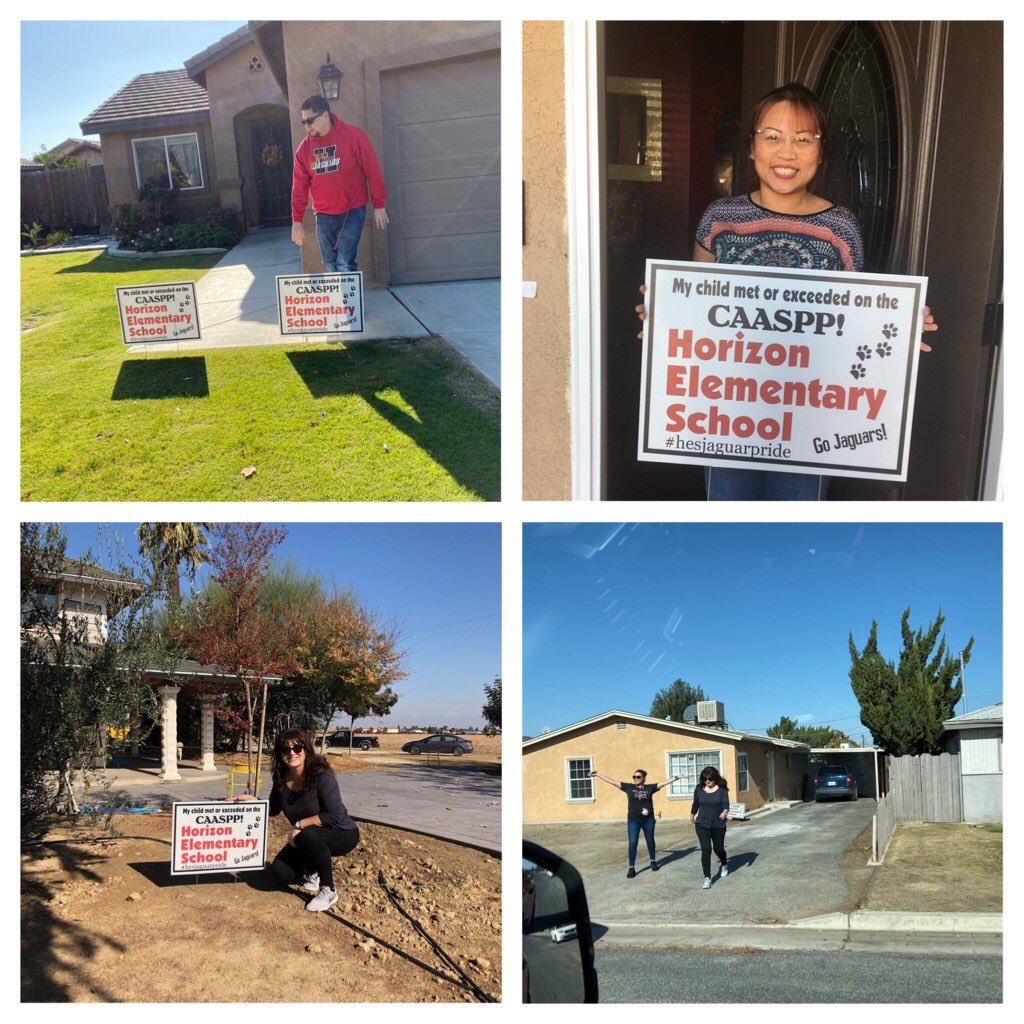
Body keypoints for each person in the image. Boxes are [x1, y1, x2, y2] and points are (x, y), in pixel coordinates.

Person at [635, 82, 938, 500]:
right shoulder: (720, 217)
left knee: (795, 530)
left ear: (821, 150)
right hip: (727, 413)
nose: (787, 153)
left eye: (803, 139)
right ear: (752, 148)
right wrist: (661, 317)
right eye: (772, 137)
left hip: (810, 418)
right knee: (731, 527)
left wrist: (900, 323)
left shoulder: (840, 227)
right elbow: (694, 304)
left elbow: (855, 323)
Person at [231, 728, 360, 912]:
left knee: (309, 834)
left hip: (342, 832)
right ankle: (313, 871)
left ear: (306, 749)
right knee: (280, 872)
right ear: (280, 754)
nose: (292, 753)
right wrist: (254, 802)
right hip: (308, 836)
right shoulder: (281, 779)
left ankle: (328, 890)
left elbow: (334, 815)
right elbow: (274, 809)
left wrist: (300, 824)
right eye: (285, 749)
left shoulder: (322, 774)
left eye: (297, 748)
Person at [290, 94, 389, 275]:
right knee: (330, 265)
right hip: (323, 214)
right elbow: (299, 187)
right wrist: (296, 220)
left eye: (310, 120)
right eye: (303, 122)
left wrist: (379, 205)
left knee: (344, 263)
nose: (307, 126)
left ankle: (348, 304)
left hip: (352, 211)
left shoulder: (354, 136)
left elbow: (372, 171)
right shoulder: (304, 150)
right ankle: (339, 303)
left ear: (325, 115)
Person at [590, 767, 684, 877]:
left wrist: (677, 778)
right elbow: (613, 782)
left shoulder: (650, 788)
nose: (635, 778)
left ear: (643, 778)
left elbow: (663, 783)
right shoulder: (629, 787)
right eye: (634, 777)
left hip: (648, 820)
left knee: (650, 840)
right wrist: (598, 775)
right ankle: (631, 868)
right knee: (633, 842)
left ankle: (653, 861)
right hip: (633, 820)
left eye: (638, 777)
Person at [690, 766, 730, 889]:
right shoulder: (699, 789)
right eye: (705, 778)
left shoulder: (722, 790)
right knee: (706, 849)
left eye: (710, 778)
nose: (707, 781)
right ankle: (707, 878)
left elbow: (725, 804)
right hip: (702, 824)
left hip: (718, 824)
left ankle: (724, 863)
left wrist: (725, 812)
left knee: (718, 849)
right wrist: (692, 815)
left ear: (715, 778)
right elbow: (695, 803)